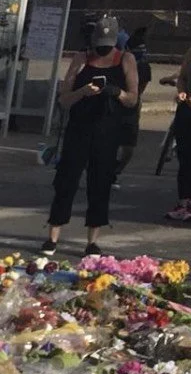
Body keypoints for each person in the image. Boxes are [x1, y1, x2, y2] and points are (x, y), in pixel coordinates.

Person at [43, 15, 138, 256]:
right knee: (66, 180)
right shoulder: (82, 58)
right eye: (100, 44)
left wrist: (115, 92)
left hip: (107, 129)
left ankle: (92, 240)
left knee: (100, 182)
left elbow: (132, 98)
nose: (102, 49)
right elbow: (64, 99)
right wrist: (82, 91)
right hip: (80, 128)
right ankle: (53, 236)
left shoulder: (125, 59)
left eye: (107, 44)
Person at [165, 37, 191, 224]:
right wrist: (181, 91)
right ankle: (182, 202)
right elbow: (182, 76)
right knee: (184, 155)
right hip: (187, 108)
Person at [113, 26, 152, 187]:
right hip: (115, 106)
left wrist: (131, 98)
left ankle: (115, 171)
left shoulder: (143, 67)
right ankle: (105, 173)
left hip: (131, 108)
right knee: (110, 143)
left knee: (128, 148)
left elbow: (139, 91)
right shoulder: (118, 63)